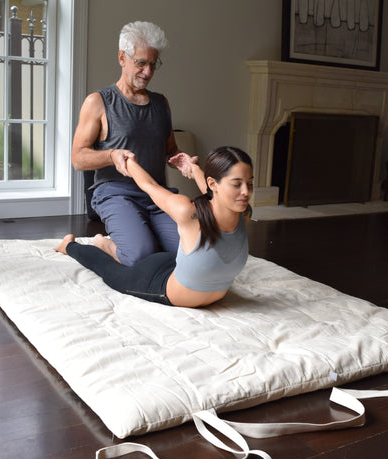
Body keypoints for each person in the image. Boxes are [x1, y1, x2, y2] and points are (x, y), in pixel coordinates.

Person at [56, 146, 254, 308]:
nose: (246, 192)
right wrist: (128, 162)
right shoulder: (189, 213)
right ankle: (71, 246)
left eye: (250, 183)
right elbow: (150, 186)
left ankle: (105, 243)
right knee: (109, 271)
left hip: (173, 265)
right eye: (237, 184)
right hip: (158, 283)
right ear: (214, 183)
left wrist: (193, 169)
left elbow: (213, 192)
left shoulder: (243, 214)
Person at [71, 20, 196, 266]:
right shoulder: (98, 102)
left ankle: (147, 235)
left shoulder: (161, 103)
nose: (148, 72)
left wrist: (180, 161)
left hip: (157, 195)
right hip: (116, 194)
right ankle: (104, 243)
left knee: (188, 255)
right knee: (140, 256)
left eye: (153, 64)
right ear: (122, 58)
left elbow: (170, 151)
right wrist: (110, 155)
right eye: (140, 63)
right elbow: (78, 159)